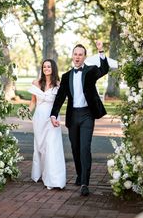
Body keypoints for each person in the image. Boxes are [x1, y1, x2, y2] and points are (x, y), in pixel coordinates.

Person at [50, 40, 109, 196]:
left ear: (84, 57)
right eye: (75, 54)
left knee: (84, 148)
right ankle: (79, 173)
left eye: (80, 54)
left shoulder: (91, 71)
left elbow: (104, 69)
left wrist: (101, 51)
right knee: (75, 149)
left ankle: (84, 182)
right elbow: (60, 97)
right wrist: (53, 114)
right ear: (72, 56)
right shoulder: (66, 76)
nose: (77, 57)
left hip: (87, 115)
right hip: (73, 116)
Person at [28, 59, 66, 190]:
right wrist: (26, 112)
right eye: (44, 67)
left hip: (52, 119)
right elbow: (33, 102)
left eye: (49, 66)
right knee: (40, 146)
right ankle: (40, 173)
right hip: (38, 118)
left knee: (51, 146)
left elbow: (60, 103)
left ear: (53, 68)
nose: (46, 69)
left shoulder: (59, 85)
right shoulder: (36, 83)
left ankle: (53, 178)